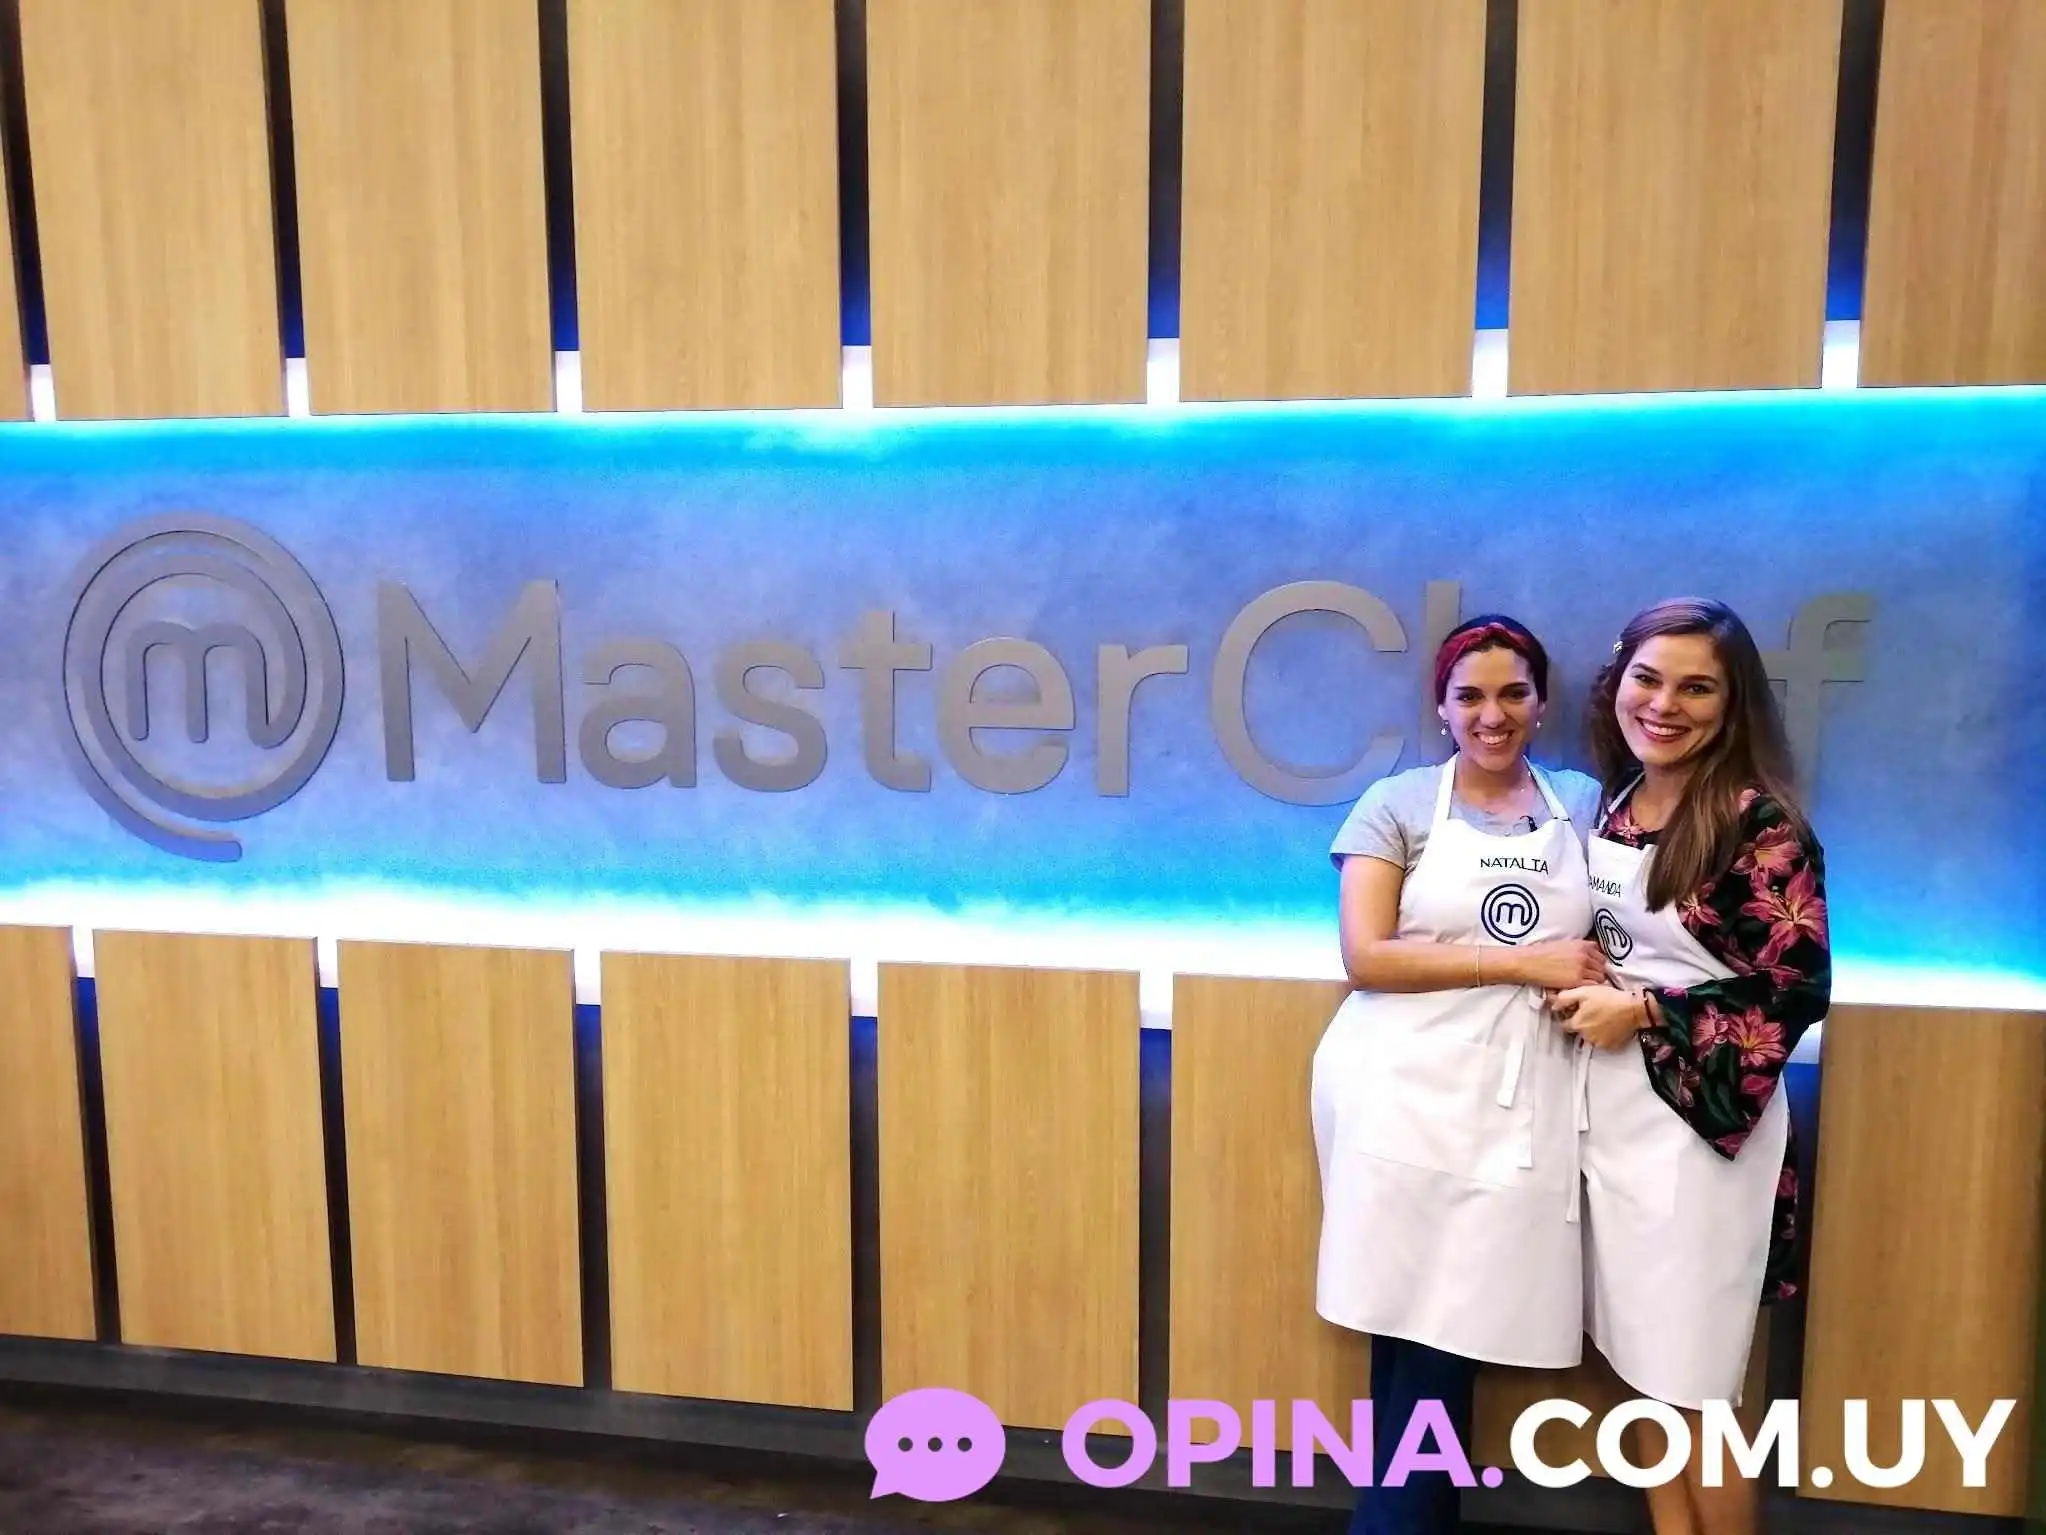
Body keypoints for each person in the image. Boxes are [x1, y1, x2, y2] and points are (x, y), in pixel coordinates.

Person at [1311, 614, 1610, 1535]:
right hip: (1400, 1090)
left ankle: (1396, 1520)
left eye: (1513, 693)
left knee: (1455, 1320)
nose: (1493, 714)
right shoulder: (1396, 804)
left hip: (1522, 1102)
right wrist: (1523, 961)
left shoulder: (1583, 803)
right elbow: (1366, 957)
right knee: (1411, 1324)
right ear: (1440, 707)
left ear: (1542, 702)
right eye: (1469, 695)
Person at [1549, 598, 1830, 1535]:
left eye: (1696, 687)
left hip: (1703, 1133)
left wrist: (1643, 1010)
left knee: (1698, 1390)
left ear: (1732, 701)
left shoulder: (1760, 823)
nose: (1664, 704)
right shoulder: (1617, 802)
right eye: (1648, 678)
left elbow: (1797, 986)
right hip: (1609, 1117)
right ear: (1617, 682)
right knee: (1642, 1372)